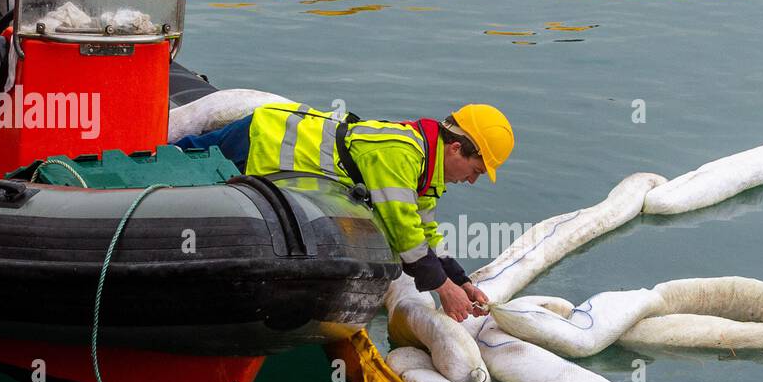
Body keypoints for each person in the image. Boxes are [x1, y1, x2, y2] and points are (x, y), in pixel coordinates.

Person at [174, 101, 514, 321]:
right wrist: (444, 290)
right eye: (475, 171)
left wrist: (462, 281)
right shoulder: (401, 155)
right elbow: (405, 236)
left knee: (186, 168)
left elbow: (425, 235)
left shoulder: (426, 175)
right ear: (455, 148)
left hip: (275, 153)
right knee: (177, 163)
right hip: (264, 140)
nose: (471, 181)